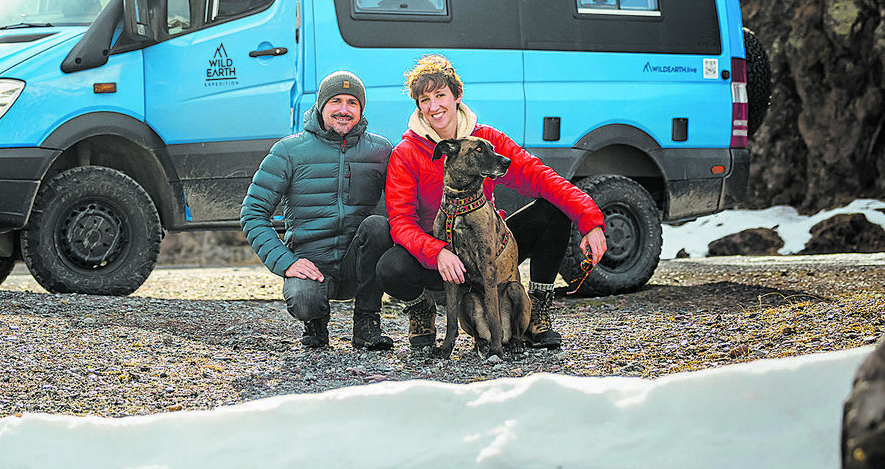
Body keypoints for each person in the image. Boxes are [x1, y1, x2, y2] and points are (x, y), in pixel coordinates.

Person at [381, 54, 610, 352]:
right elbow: (401, 221)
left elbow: (540, 177)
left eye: (440, 95)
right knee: (391, 265)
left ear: (457, 96)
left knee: (552, 209)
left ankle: (537, 311)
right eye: (425, 99)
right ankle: (422, 311)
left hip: (489, 249)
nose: (434, 106)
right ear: (418, 105)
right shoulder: (407, 152)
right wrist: (437, 252)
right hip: (443, 261)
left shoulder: (486, 140)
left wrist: (590, 221)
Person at [241, 70, 395, 350]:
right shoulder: (289, 151)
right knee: (303, 300)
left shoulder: (380, 151)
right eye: (336, 101)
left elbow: (405, 203)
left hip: (357, 264)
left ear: (361, 109)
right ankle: (315, 323)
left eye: (352, 103)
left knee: (379, 225)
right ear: (322, 105)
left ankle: (367, 323)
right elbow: (252, 213)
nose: (344, 110)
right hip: (311, 264)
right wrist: (286, 262)